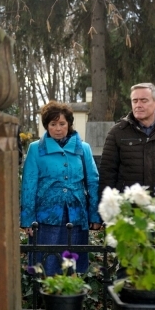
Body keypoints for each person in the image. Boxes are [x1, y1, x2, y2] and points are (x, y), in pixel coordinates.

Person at [20, 101, 102, 275]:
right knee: (47, 265)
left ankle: (72, 300)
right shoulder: (36, 149)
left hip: (76, 217)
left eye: (62, 124)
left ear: (69, 124)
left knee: (74, 267)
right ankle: (46, 300)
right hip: (45, 218)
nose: (58, 128)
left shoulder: (84, 149)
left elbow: (93, 182)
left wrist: (94, 215)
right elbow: (28, 184)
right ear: (46, 126)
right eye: (53, 124)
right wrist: (27, 219)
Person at [99, 82, 155, 207]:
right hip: (127, 211)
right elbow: (107, 174)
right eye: (135, 101)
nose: (138, 105)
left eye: (143, 100)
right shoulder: (118, 132)